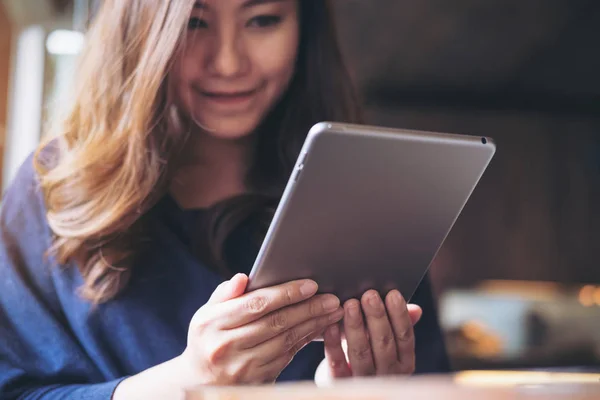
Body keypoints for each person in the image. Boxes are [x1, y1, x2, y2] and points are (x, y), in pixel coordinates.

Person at [0, 0, 450, 398]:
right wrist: (184, 384)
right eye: (195, 23)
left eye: (262, 20)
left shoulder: (371, 199)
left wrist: (351, 395)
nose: (230, 62)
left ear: (304, 28)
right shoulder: (54, 188)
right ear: (140, 34)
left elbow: (429, 382)